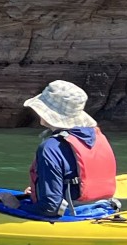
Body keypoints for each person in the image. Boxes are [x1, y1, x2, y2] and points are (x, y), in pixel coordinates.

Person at [19, 80, 117, 217]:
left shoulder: (50, 148)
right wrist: (40, 189)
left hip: (71, 215)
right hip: (103, 208)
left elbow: (50, 208)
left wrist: (16, 205)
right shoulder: (96, 137)